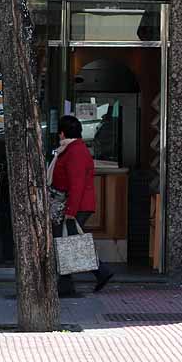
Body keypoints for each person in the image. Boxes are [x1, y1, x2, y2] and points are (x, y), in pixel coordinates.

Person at [49, 114, 114, 297]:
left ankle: (97, 273)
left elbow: (76, 184)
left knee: (67, 242)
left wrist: (70, 210)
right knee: (69, 242)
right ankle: (72, 281)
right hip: (73, 203)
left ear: (62, 133)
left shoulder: (74, 151)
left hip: (74, 205)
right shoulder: (72, 149)